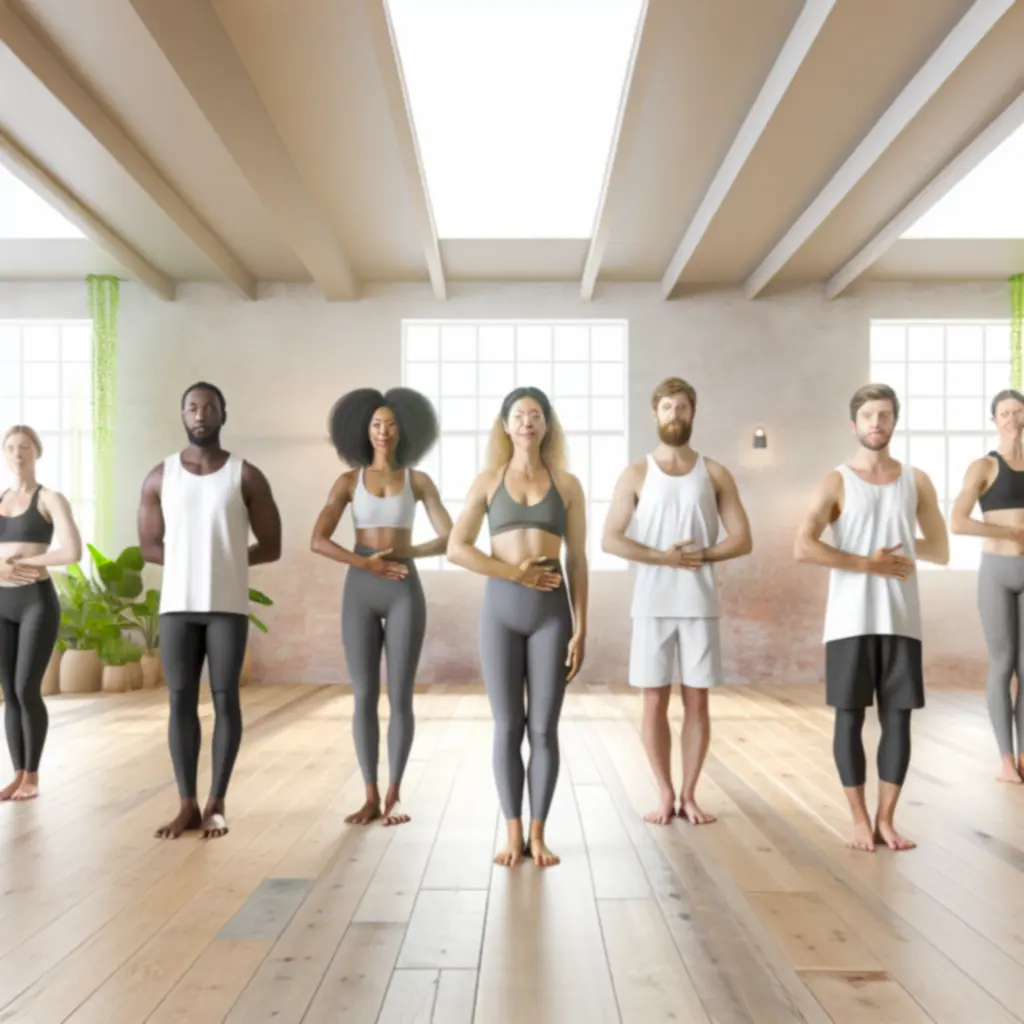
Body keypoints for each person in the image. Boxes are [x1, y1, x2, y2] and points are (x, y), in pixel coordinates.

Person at [794, 383, 948, 853]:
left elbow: (939, 548)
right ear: (854, 425)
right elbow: (803, 547)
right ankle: (859, 820)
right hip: (849, 620)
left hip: (903, 619)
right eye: (867, 416)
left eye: (883, 415)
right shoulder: (836, 480)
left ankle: (886, 820)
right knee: (849, 717)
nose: (875, 423)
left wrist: (898, 543)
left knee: (899, 719)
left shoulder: (916, 480)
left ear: (894, 421)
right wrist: (867, 563)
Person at [602, 377, 752, 827]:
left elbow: (743, 538)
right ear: (655, 413)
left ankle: (689, 795)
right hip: (650, 602)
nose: (674, 415)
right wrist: (661, 558)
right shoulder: (635, 474)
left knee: (697, 702)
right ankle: (664, 793)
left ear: (693, 413)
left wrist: (700, 554)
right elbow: (610, 538)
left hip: (700, 602)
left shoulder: (716, 472)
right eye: (667, 407)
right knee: (652, 701)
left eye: (682, 407)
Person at [447, 387, 587, 868]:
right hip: (501, 613)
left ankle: (539, 834)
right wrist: (515, 573)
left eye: (535, 415)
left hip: (552, 615)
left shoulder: (567, 485)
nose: (526, 422)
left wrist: (582, 627)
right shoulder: (488, 482)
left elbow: (580, 558)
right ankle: (511, 833)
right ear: (505, 426)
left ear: (546, 425)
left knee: (544, 728)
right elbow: (456, 547)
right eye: (518, 415)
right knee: (508, 726)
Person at [138, 382, 281, 840]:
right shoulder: (160, 477)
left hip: (226, 608)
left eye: (209, 407)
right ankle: (187, 805)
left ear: (223, 414)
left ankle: (217, 802)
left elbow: (272, 546)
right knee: (179, 701)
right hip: (177, 607)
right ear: (182, 415)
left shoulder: (246, 475)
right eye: (192, 408)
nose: (201, 414)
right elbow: (148, 545)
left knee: (225, 700)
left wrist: (226, 562)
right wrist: (189, 562)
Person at [311, 387, 450, 826]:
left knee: (401, 695)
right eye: (376, 424)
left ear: (402, 429)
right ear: (364, 430)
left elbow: (451, 537)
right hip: (361, 589)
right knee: (365, 694)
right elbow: (318, 540)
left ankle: (394, 795)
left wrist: (408, 554)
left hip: (404, 585)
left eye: (390, 424)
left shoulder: (419, 480)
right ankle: (369, 794)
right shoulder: (348, 482)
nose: (384, 431)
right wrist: (363, 563)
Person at [0, 425, 83, 801]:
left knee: (26, 688)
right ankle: (17, 774)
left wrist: (27, 561)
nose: (18, 453)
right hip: (2, 603)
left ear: (37, 452)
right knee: (9, 693)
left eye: (26, 447)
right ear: (5, 454)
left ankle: (33, 776)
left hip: (36, 600)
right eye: (12, 447)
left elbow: (72, 551)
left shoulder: (50, 499)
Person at [950, 388, 1024, 783]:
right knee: (1003, 663)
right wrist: (1008, 532)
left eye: (1018, 411)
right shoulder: (983, 466)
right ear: (994, 419)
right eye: (1004, 413)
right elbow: (958, 521)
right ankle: (1005, 760)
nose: (1012, 418)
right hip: (996, 572)